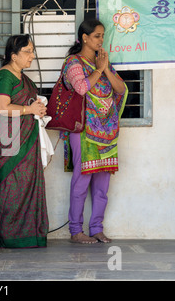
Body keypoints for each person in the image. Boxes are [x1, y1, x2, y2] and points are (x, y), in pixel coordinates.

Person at [63, 19, 127, 244]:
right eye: (97, 36)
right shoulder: (73, 63)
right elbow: (81, 88)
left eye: (103, 35)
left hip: (107, 133)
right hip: (84, 131)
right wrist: (99, 69)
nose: (101, 40)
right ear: (85, 38)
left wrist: (105, 69)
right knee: (81, 182)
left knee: (102, 186)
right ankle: (75, 231)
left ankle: (97, 228)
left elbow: (121, 89)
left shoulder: (104, 63)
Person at [0, 34, 49, 248]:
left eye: (33, 51)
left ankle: (28, 236)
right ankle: (7, 237)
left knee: (27, 187)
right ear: (14, 56)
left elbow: (28, 103)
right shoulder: (6, 76)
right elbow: (1, 107)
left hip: (27, 140)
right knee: (10, 188)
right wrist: (28, 109)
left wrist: (38, 109)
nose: (32, 56)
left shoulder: (22, 77)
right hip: (11, 143)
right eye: (28, 51)